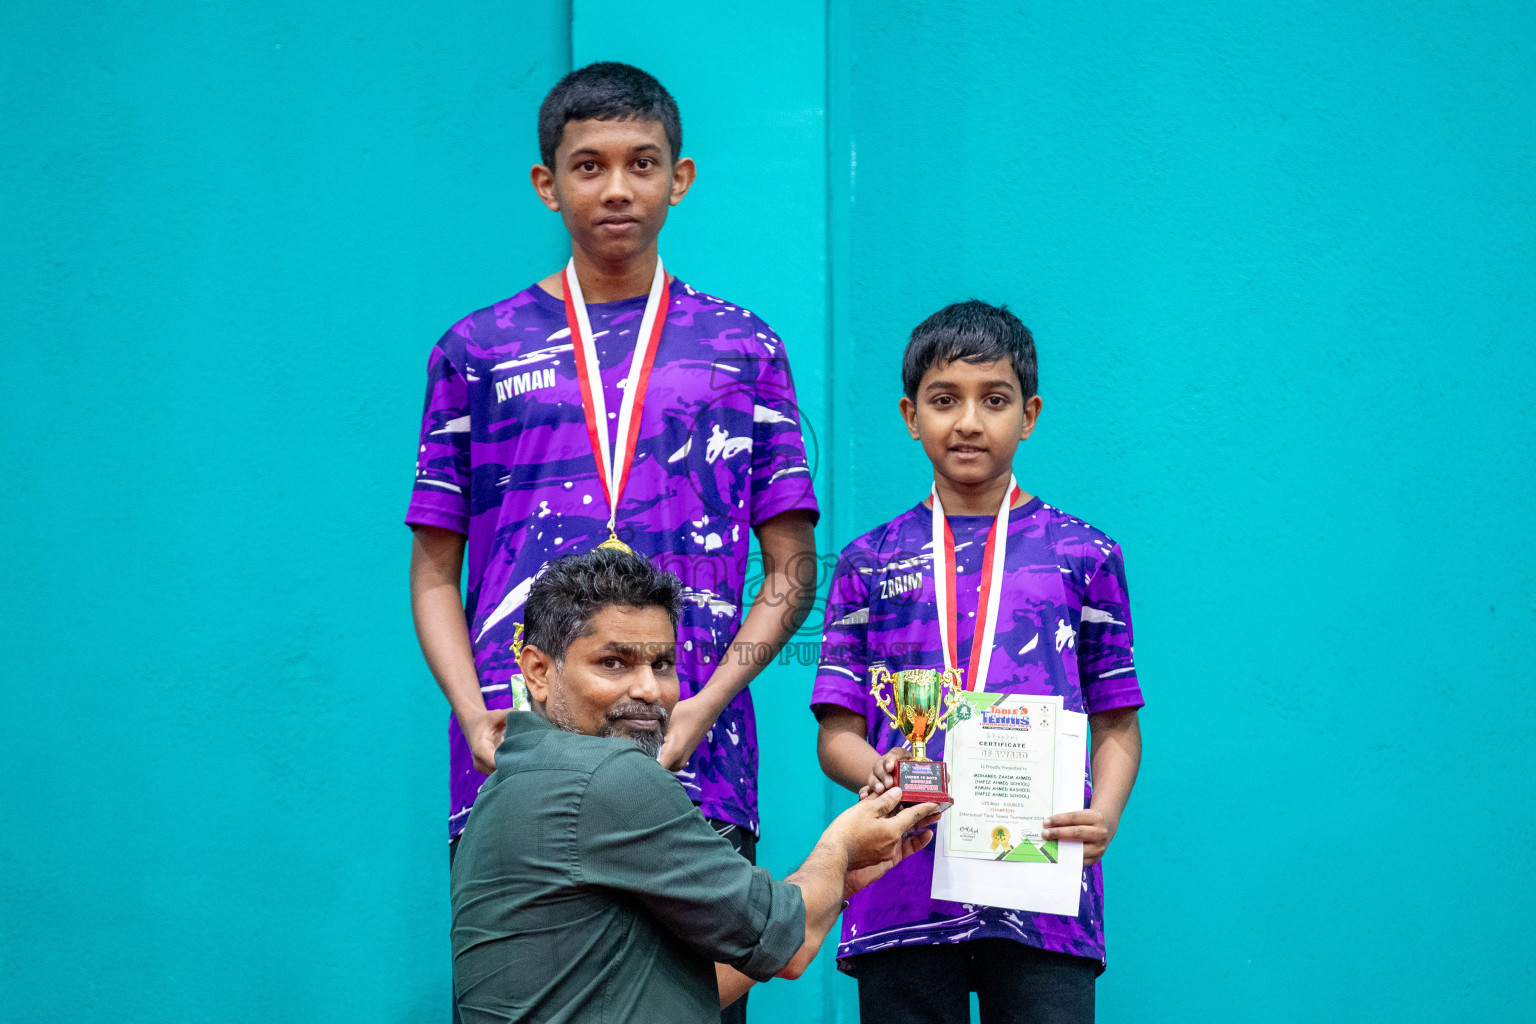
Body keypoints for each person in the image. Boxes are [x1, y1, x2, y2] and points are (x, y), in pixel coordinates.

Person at [407, 61, 819, 1022]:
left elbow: (791, 570)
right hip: (517, 764)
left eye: (642, 163)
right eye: (588, 166)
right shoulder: (477, 349)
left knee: (693, 1006)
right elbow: (435, 574)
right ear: (548, 182)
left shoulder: (742, 347)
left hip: (693, 755)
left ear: (680, 177)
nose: (617, 188)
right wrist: (476, 717)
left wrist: (705, 706)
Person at [810, 301, 1145, 1023]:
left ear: (1029, 414)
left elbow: (1117, 718)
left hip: (1043, 888)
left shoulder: (1086, 554)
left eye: (993, 400)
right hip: (901, 877)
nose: (968, 421)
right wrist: (874, 768)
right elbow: (835, 733)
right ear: (909, 415)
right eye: (943, 400)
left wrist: (1104, 816)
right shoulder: (869, 562)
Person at [452, 548, 941, 1023]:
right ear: (538, 670)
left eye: (662, 664)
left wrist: (845, 873)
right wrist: (838, 847)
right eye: (613, 663)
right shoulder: (610, 775)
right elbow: (789, 947)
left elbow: (684, 983)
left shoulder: (509, 785)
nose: (649, 689)